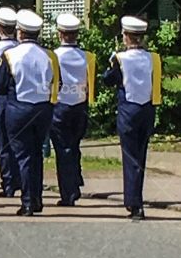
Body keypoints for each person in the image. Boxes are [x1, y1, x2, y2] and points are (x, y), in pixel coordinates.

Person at [0, 9, 58, 216]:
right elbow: (56, 82)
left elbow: (0, 86)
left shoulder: (9, 55)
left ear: (20, 32)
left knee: (24, 156)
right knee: (36, 153)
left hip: (18, 108)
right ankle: (37, 198)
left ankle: (28, 201)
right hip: (43, 108)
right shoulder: (48, 55)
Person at [103, 16, 161, 220]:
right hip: (147, 109)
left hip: (128, 109)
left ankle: (134, 203)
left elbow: (108, 80)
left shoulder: (119, 59)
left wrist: (111, 64)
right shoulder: (154, 58)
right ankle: (136, 200)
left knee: (130, 157)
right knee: (140, 156)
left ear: (126, 37)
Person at [52, 13, 96, 207]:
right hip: (80, 105)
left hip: (60, 106)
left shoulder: (53, 56)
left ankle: (68, 192)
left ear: (60, 34)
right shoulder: (88, 57)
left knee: (63, 150)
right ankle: (76, 182)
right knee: (75, 145)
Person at [0, 6, 20, 197]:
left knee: (3, 144)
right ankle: (21, 180)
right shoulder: (21, 47)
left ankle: (8, 183)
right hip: (19, 98)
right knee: (19, 142)